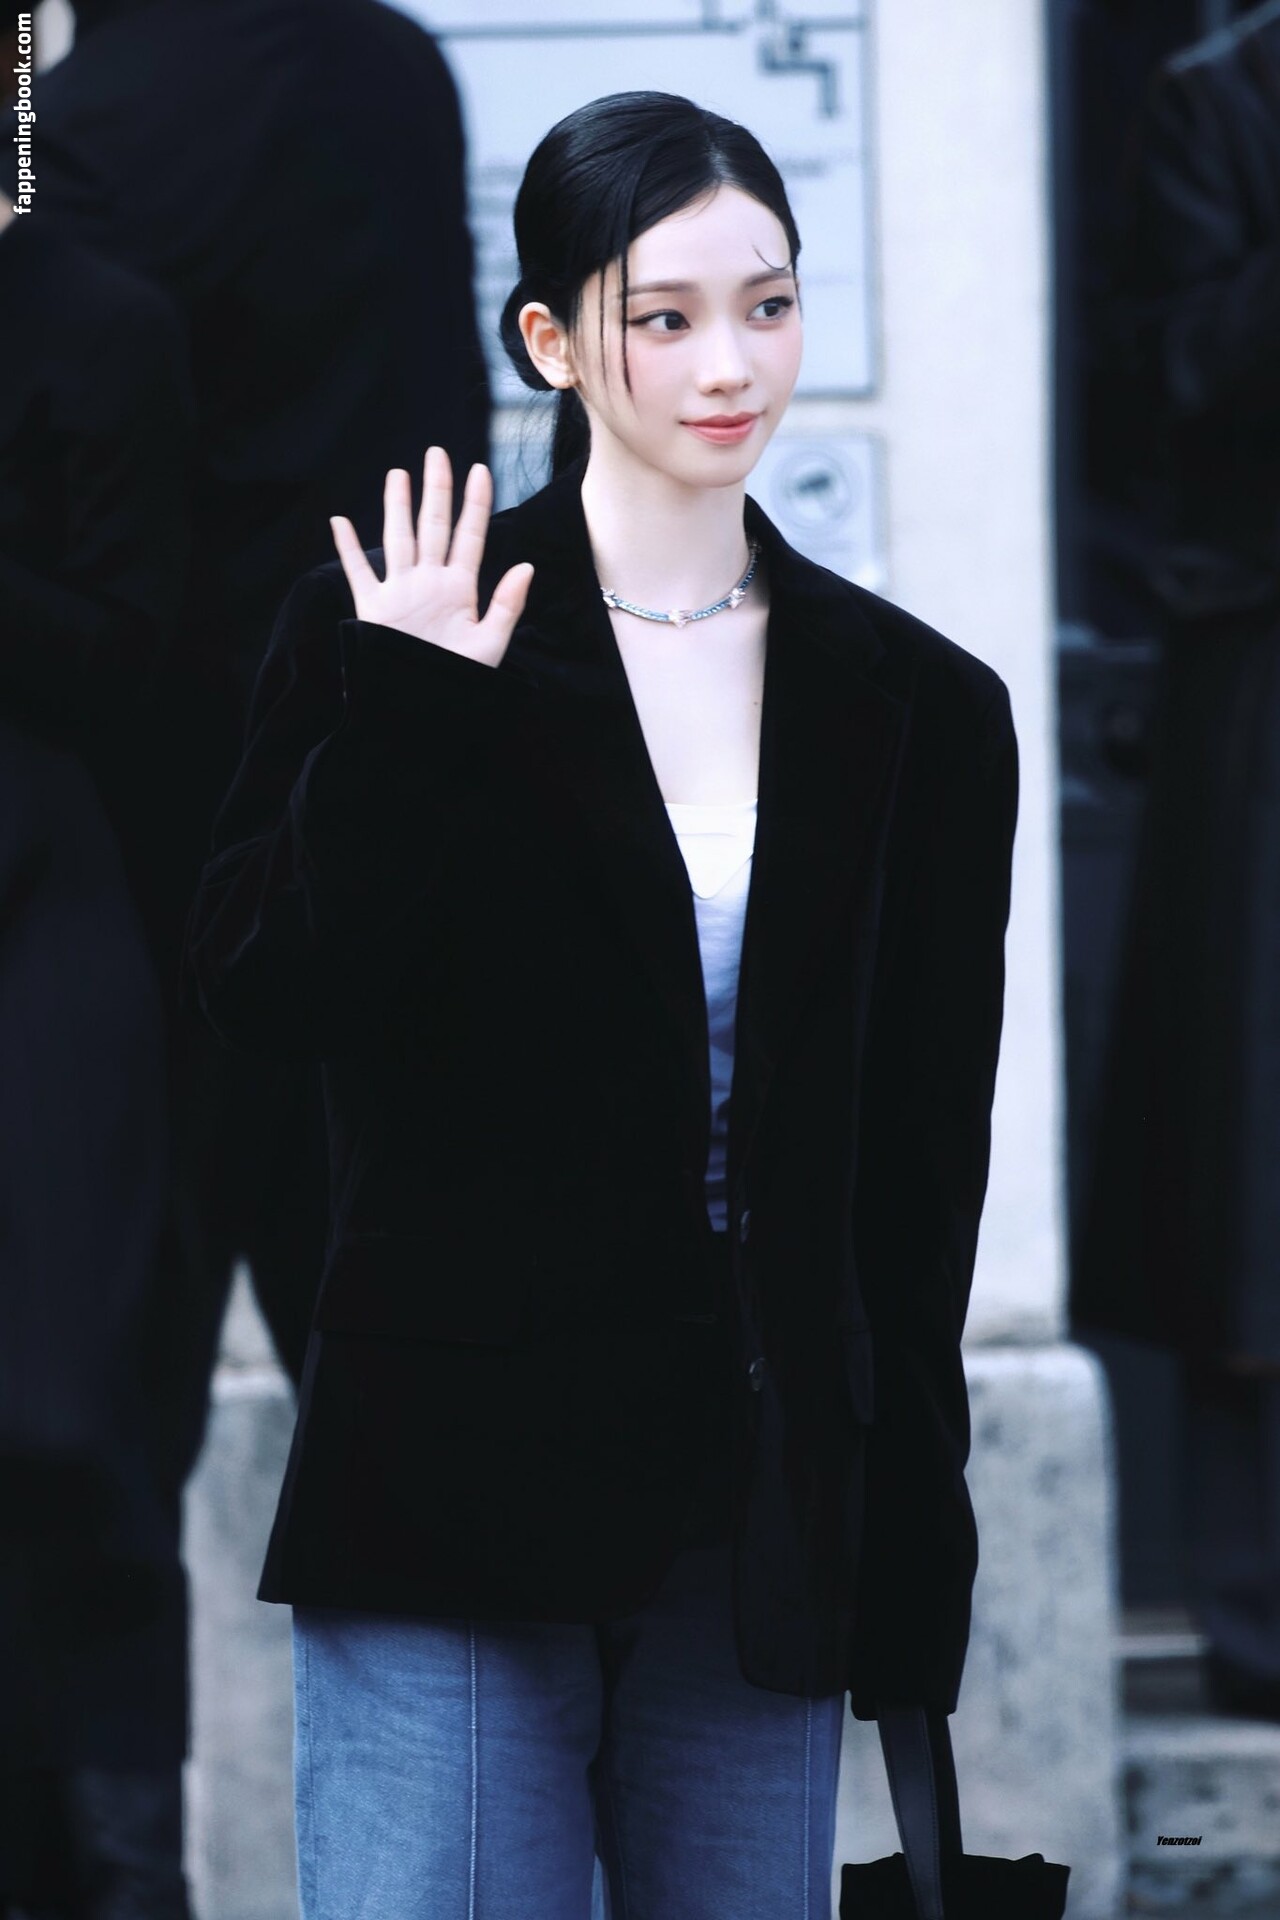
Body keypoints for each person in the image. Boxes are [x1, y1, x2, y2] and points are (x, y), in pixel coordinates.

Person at [186, 91, 1019, 1919]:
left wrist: (910, 1539)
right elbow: (262, 996)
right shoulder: (400, 626)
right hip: (452, 1487)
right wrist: (408, 719)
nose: (731, 364)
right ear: (553, 341)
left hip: (756, 1513)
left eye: (769, 305)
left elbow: (917, 1173)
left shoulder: (918, 705)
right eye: (666, 315)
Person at [1074, 0, 1280, 1718]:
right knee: (1253, 1175)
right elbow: (1171, 390)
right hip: (1261, 675)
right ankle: (1259, 1617)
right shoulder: (1222, 103)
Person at [0, 154, 196, 1915]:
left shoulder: (93, 322)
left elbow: (143, 665)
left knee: (63, 1433)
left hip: (45, 923)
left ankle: (120, 1888)